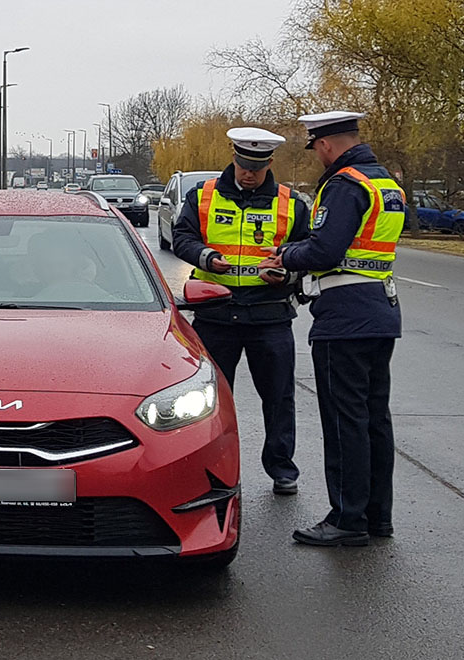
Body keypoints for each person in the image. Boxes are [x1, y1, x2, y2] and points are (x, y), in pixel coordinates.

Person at [259, 111, 404, 547]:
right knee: (375, 420)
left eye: (317, 148)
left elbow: (325, 249)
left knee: (345, 423)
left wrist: (284, 256)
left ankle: (346, 518)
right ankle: (378, 516)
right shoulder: (385, 183)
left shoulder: (344, 184)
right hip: (381, 310)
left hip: (344, 318)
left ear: (325, 145)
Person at [172, 127, 310, 495]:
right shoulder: (202, 195)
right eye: (243, 164)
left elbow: (308, 251)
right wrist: (206, 257)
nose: (248, 173)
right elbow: (182, 237)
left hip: (270, 315)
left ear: (268, 164)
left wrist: (287, 271)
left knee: (279, 397)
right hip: (216, 314)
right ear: (233, 158)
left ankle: (282, 469)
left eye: (257, 167)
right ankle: (211, 469)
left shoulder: (290, 203)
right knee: (209, 400)